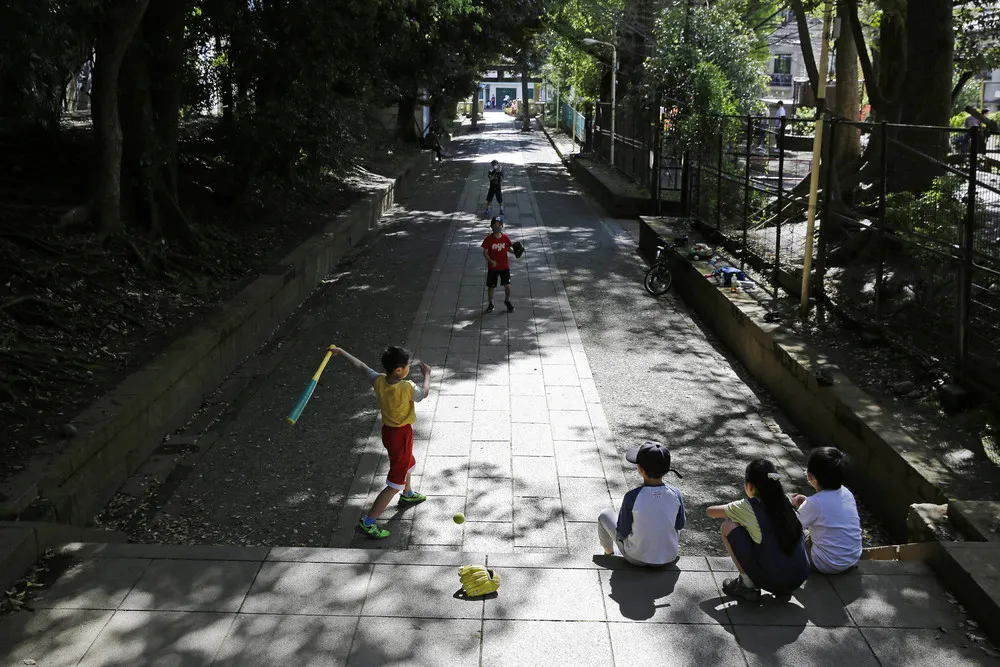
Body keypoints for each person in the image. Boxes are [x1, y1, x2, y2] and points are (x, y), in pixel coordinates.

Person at [331, 345, 431, 539]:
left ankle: (408, 494)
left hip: (389, 433)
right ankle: (368, 522)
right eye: (407, 365)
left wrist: (342, 352)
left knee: (406, 461)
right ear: (399, 370)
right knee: (395, 482)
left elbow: (360, 366)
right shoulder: (407, 387)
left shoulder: (378, 380)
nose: (409, 368)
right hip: (401, 435)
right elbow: (424, 393)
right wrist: (427, 375)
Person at [706, 459, 809, 602]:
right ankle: (784, 587)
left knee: (728, 525)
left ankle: (746, 584)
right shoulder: (785, 501)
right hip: (800, 577)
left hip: (773, 580)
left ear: (750, 486)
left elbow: (710, 511)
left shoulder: (747, 507)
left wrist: (738, 513)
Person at [597, 441, 685, 566]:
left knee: (604, 515)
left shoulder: (632, 496)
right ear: (667, 470)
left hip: (636, 558)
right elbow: (680, 524)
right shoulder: (676, 493)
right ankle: (662, 549)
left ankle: (609, 553)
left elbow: (622, 531)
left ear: (640, 470)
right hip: (669, 557)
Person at [790, 447, 862, 574]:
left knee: (792, 533)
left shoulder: (814, 503)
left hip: (826, 564)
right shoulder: (846, 493)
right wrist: (806, 502)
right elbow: (828, 511)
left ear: (810, 476)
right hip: (852, 558)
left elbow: (791, 527)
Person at [481, 216, 516, 313]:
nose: (497, 227)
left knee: (508, 286)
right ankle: (491, 303)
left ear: (502, 226)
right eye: (495, 225)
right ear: (491, 226)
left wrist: (515, 252)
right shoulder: (488, 239)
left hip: (505, 267)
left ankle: (507, 300)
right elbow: (485, 252)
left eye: (499, 225)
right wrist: (491, 261)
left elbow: (508, 248)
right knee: (491, 286)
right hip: (493, 267)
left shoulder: (505, 238)